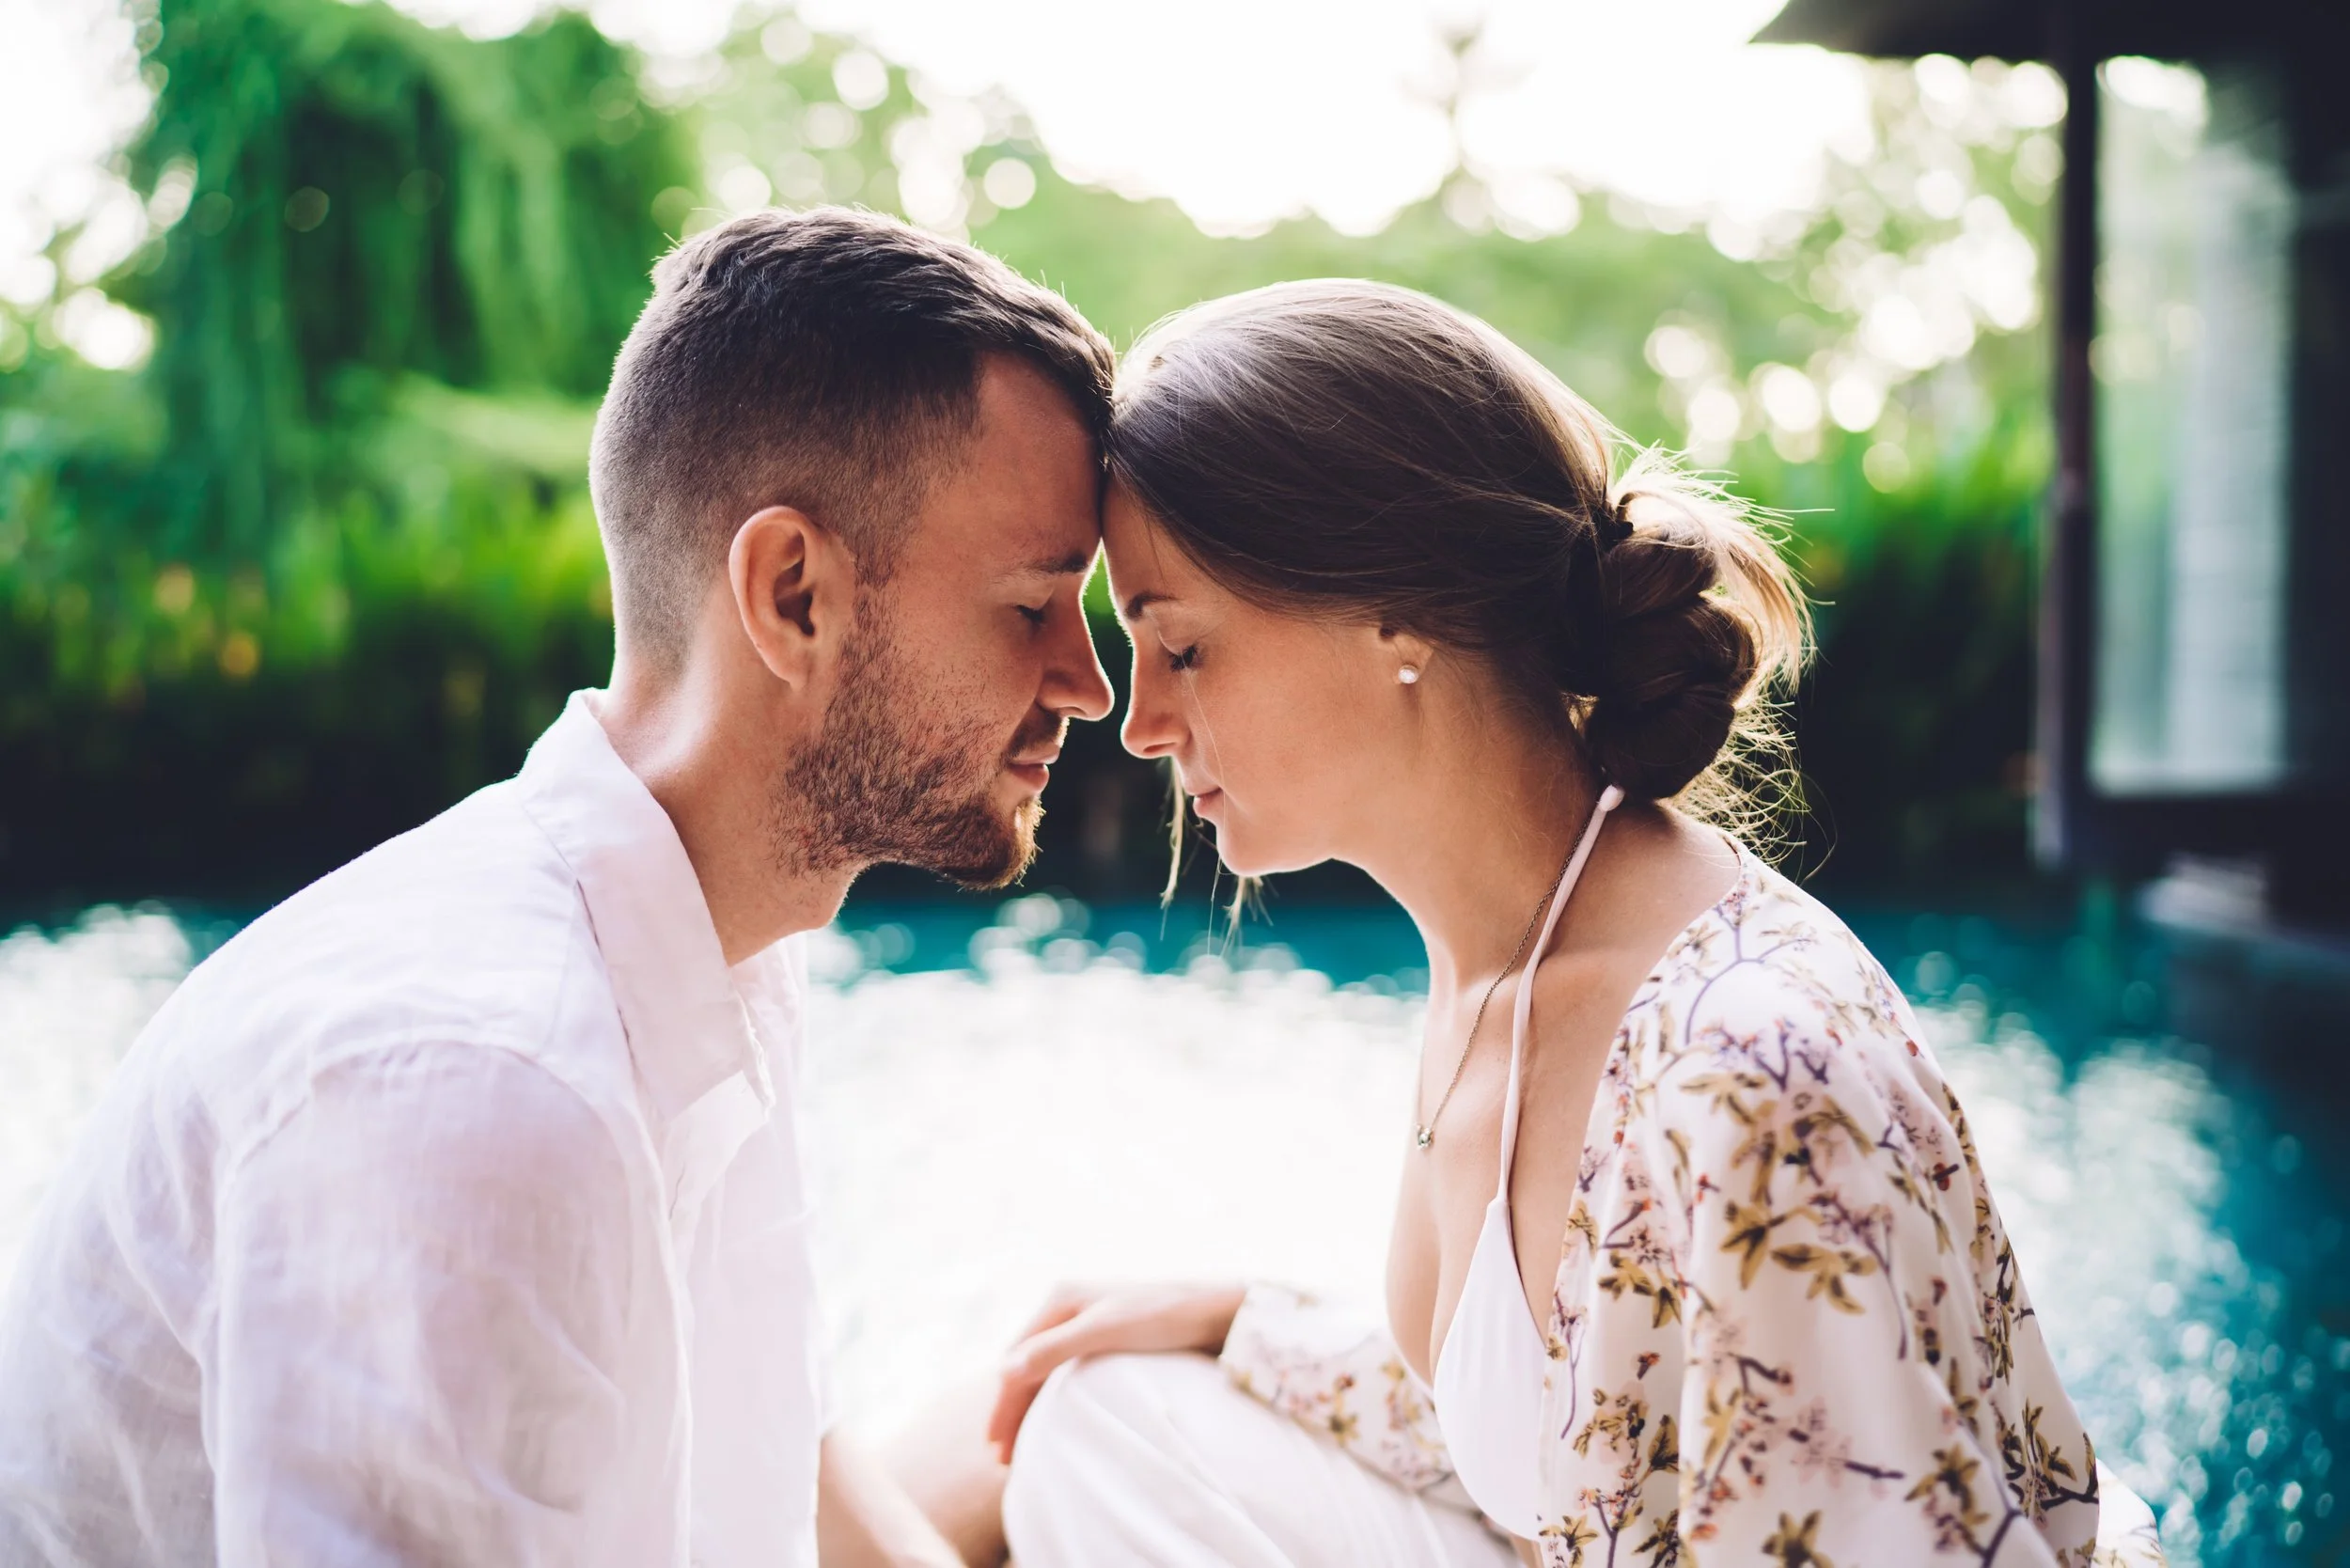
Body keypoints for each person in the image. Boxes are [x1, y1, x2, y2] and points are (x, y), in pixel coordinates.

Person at [983, 280, 2169, 1567]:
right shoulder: (1509, 952)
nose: (1142, 722)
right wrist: (1247, 1320)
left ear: (1400, 614)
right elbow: (1591, 1439)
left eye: (1185, 647)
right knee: (1103, 1425)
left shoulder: (1744, 1078)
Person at [0, 207, 1116, 1567]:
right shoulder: (478, 1087)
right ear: (793, 596)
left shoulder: (721, 944)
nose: (1090, 682)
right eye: (1030, 605)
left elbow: (780, 1455)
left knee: (1099, 1400)